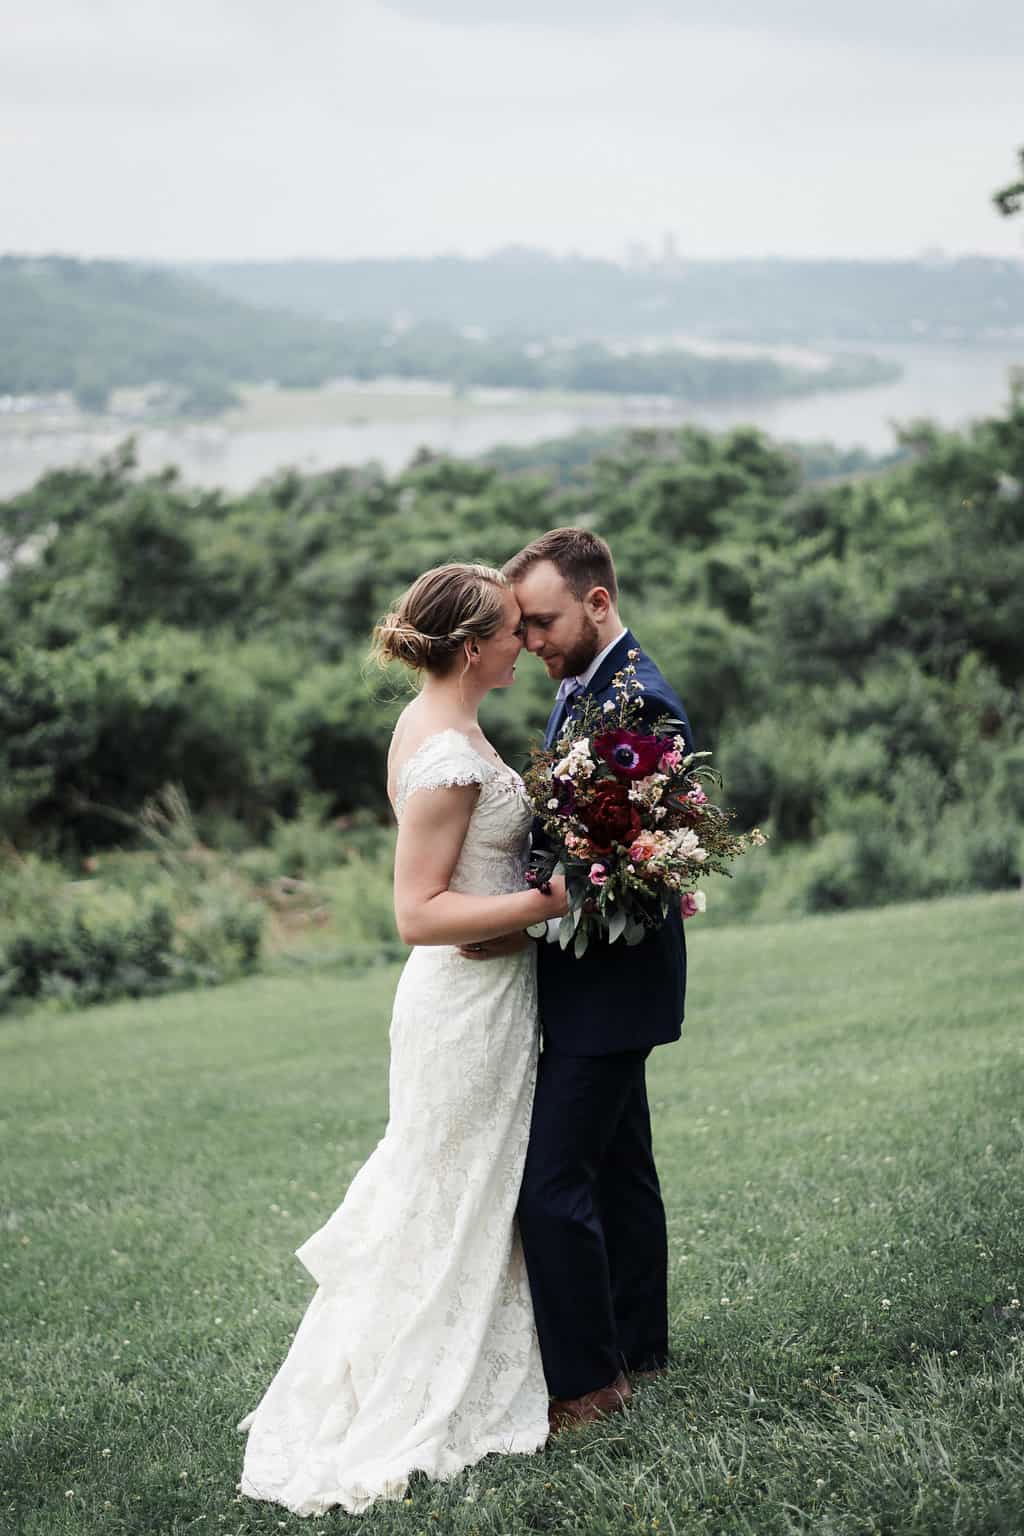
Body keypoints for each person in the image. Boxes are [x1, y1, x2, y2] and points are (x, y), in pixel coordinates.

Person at [236, 563, 567, 1517]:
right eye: (511, 630)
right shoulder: (451, 755)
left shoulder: (434, 722)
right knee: (448, 1186)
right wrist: (549, 902)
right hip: (462, 1002)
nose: (524, 640)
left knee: (466, 1184)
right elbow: (418, 912)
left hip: (486, 990)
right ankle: (422, 1385)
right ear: (473, 648)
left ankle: (468, 1352)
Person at [466, 528, 693, 1432]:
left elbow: (621, 867)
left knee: (552, 1180)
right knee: (620, 1167)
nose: (530, 640)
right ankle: (639, 1343)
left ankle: (590, 1384)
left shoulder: (641, 703)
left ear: (598, 603)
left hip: (612, 984)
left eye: (544, 621)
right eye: (522, 626)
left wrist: (522, 915)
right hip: (590, 978)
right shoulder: (581, 686)